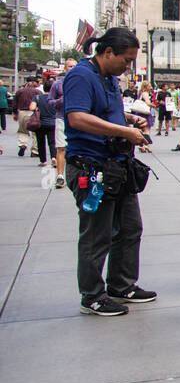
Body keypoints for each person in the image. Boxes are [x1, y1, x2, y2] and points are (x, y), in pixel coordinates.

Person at [63, 28, 155, 316]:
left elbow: (104, 112)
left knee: (129, 228)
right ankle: (91, 295)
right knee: (97, 235)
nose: (128, 66)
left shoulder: (109, 79)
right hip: (92, 167)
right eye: (125, 60)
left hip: (116, 166)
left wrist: (129, 119)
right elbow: (77, 117)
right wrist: (124, 131)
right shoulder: (81, 75)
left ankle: (121, 284)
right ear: (107, 52)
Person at [33, 78, 58, 169]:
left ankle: (43, 161)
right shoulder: (55, 99)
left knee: (40, 142)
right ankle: (54, 157)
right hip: (53, 122)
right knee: (52, 142)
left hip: (40, 123)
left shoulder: (38, 97)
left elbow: (31, 107)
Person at [13, 77, 40, 157]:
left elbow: (15, 103)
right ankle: (35, 151)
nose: (38, 84)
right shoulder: (38, 92)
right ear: (32, 82)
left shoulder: (20, 91)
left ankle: (22, 144)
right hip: (33, 113)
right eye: (36, 82)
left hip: (22, 112)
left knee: (22, 130)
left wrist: (15, 113)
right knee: (35, 133)